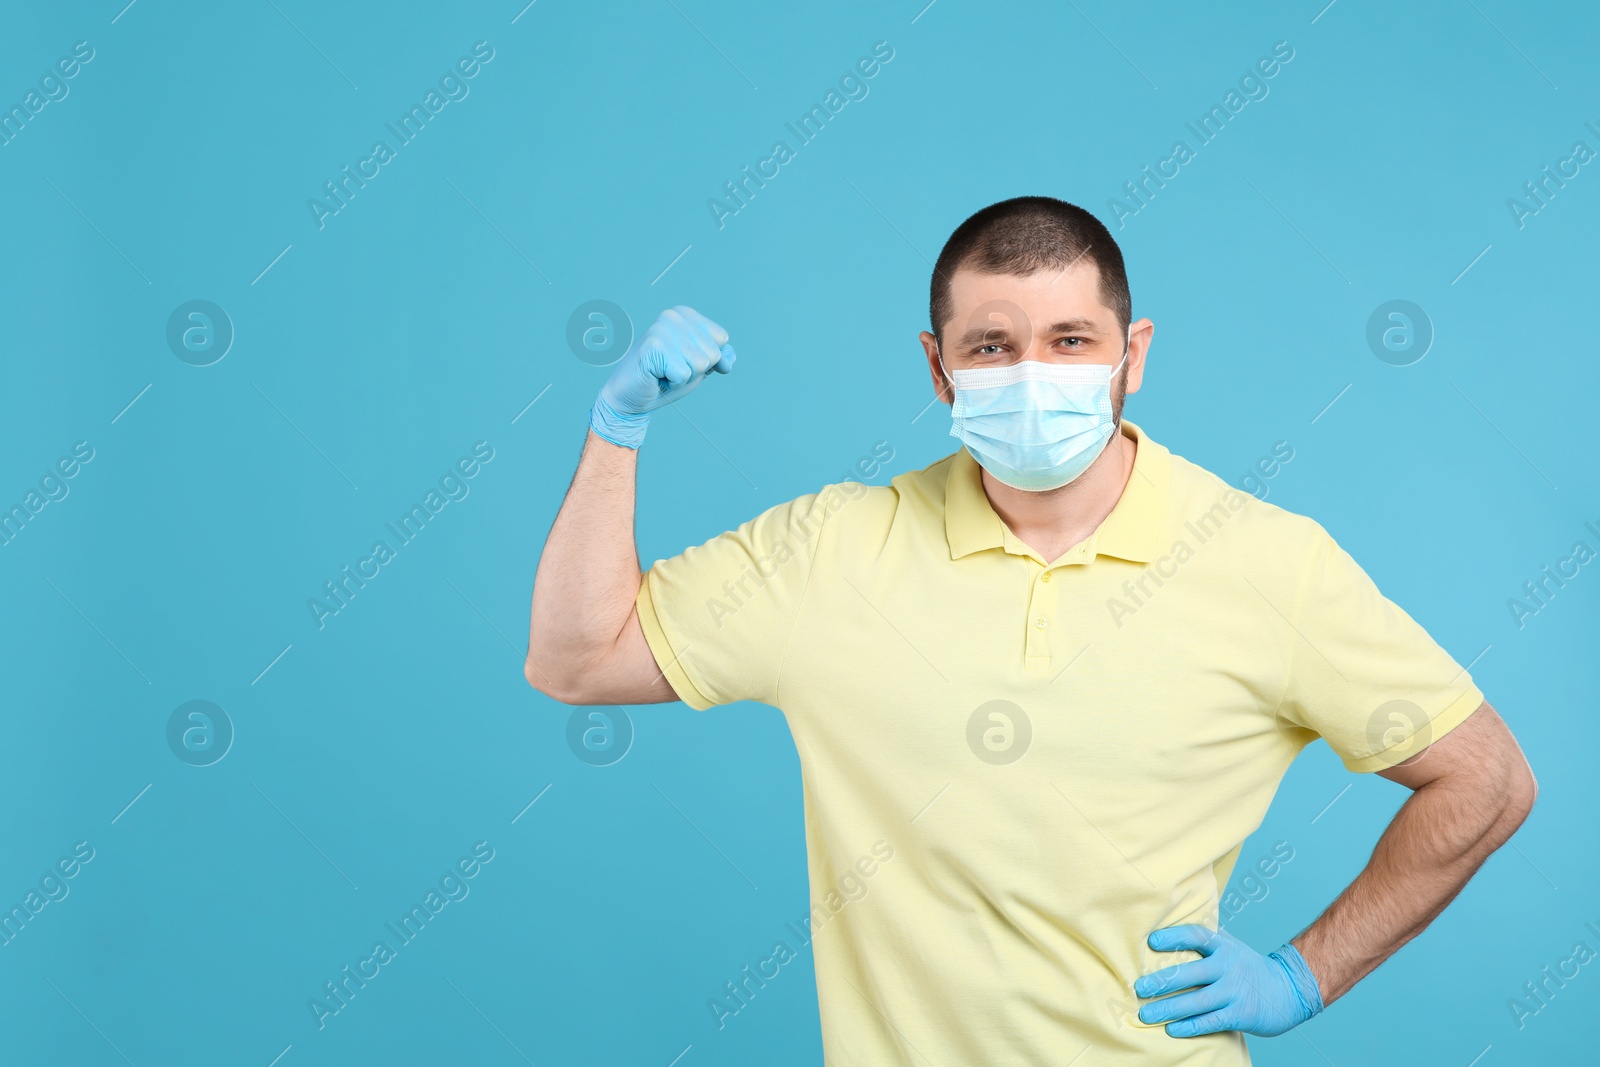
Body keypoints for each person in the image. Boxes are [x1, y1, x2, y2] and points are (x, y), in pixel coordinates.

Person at [524, 196, 1537, 1065]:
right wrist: (618, 432)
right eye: (991, 347)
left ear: (1130, 354)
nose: (1031, 375)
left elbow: (1485, 778)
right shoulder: (829, 550)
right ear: (938, 368)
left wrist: (1301, 976)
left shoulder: (1264, 562)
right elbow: (579, 658)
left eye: (1069, 341)